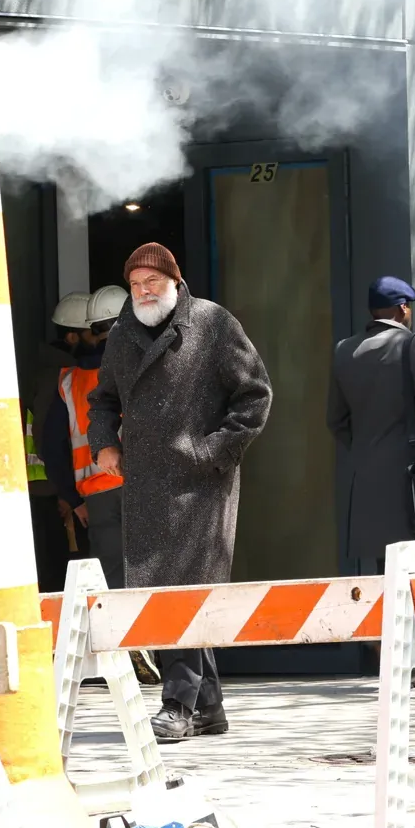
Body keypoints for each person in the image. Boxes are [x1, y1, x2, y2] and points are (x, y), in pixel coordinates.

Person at [88, 244, 272, 742]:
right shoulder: (122, 335)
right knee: (167, 590)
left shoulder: (212, 324)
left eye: (153, 282)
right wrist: (104, 443)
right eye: (135, 284)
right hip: (145, 483)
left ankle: (176, 705)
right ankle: (207, 707)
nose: (144, 292)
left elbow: (254, 394)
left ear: (174, 281)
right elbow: (102, 399)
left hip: (200, 484)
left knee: (183, 588)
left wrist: (212, 451)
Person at [326, 276, 415, 689]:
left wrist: (367, 450)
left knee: (388, 570)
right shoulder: (413, 345)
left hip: (369, 479)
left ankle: (400, 659)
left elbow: (337, 421)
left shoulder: (345, 350)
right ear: (402, 309)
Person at [43, 285, 160, 685]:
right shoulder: (146, 363)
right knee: (155, 569)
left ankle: (124, 653)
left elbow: (54, 447)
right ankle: (154, 645)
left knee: (110, 577)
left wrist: (71, 496)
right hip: (147, 485)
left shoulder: (69, 382)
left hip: (98, 492)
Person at [25, 292, 92, 591]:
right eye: (92, 331)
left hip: (49, 489)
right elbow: (47, 438)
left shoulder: (44, 368)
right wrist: (66, 493)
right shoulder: (58, 374)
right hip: (50, 493)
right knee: (60, 577)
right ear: (72, 337)